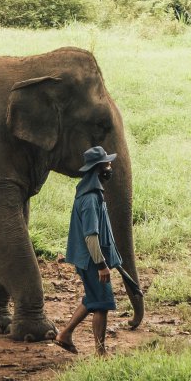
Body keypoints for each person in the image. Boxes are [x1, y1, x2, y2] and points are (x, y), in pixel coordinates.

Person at [59, 144, 124, 354]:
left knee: (93, 299)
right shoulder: (90, 198)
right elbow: (91, 236)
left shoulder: (92, 193)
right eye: (107, 162)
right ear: (99, 167)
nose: (110, 165)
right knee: (102, 304)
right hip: (91, 261)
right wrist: (101, 265)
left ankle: (66, 334)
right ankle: (100, 352)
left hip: (90, 259)